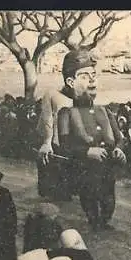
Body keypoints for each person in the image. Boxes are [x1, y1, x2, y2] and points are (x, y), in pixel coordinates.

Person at [56, 50, 127, 231]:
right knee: (89, 195)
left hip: (107, 166)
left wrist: (119, 148)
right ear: (71, 82)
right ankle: (94, 221)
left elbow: (119, 138)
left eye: (94, 76)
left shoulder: (105, 111)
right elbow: (63, 147)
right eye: (85, 76)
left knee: (108, 196)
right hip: (85, 167)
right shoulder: (66, 113)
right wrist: (87, 152)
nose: (92, 80)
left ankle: (104, 220)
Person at [35, 51, 84, 201]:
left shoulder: (85, 95)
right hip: (55, 143)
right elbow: (47, 118)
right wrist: (46, 141)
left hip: (74, 143)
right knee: (54, 179)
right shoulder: (52, 94)